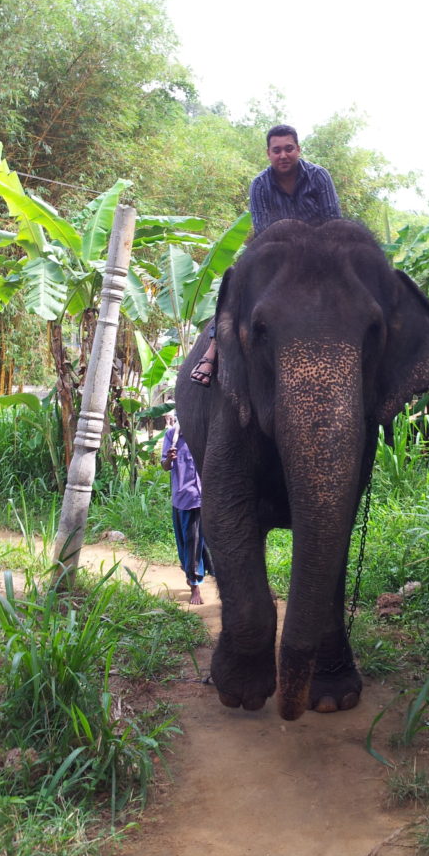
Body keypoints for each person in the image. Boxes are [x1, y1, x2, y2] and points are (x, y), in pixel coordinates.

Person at [190, 124, 341, 385]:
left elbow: (332, 220)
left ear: (298, 149)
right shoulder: (260, 184)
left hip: (321, 255)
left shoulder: (319, 176)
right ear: (268, 154)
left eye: (289, 149)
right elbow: (263, 229)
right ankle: (213, 347)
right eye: (277, 150)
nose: (283, 155)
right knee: (234, 279)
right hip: (276, 256)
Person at [161, 411, 213, 604]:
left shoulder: (204, 436)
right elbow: (165, 466)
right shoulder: (172, 436)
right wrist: (169, 459)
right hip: (182, 498)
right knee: (187, 541)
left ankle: (196, 581)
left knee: (198, 542)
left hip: (202, 498)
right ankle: (193, 580)